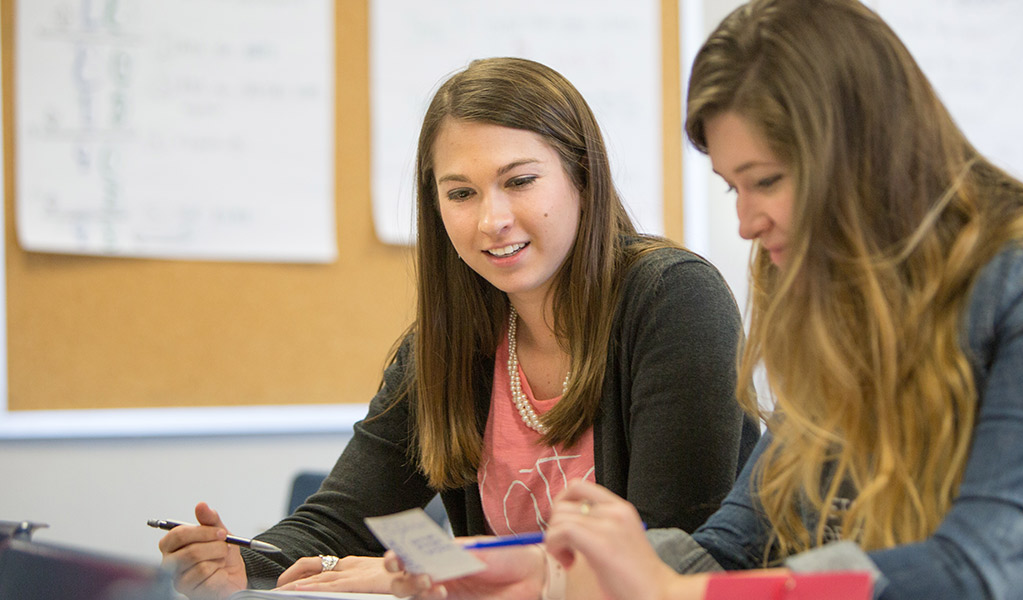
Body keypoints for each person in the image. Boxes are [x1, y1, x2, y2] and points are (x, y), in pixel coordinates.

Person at [386, 1, 1023, 598]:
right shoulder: (842, 300)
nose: (744, 219)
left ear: (865, 152)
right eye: (733, 186)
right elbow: (738, 543)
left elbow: (976, 572)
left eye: (766, 181)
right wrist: (541, 572)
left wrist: (676, 593)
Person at [156, 57, 759, 599]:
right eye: (461, 193)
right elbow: (341, 522)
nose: (493, 219)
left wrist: (417, 574)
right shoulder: (446, 348)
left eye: (520, 181)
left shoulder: (673, 299)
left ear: (582, 176)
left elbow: (673, 553)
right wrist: (243, 564)